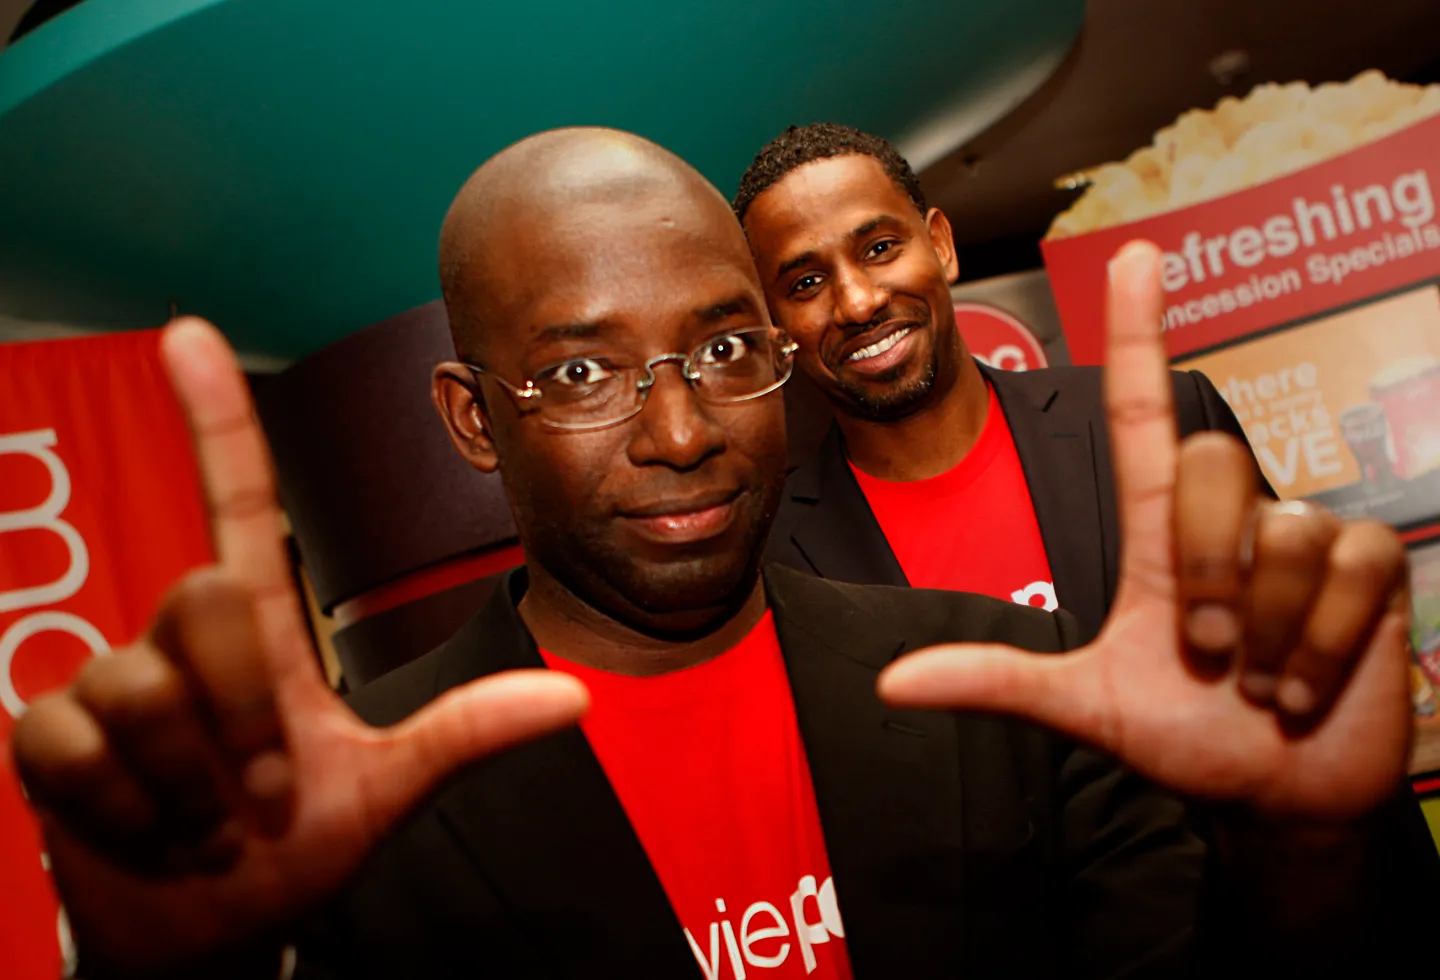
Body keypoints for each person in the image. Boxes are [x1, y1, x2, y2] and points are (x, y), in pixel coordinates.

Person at [11, 128, 1436, 980]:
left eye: (725, 346)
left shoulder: (1001, 684)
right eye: (582, 376)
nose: (683, 430)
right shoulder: (345, 799)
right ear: (471, 421)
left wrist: (1306, 850)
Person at [738, 123, 1273, 647]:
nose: (858, 303)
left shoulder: (1167, 420)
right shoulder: (771, 559)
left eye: (879, 248)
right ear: (775, 326)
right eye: (806, 283)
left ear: (941, 246)